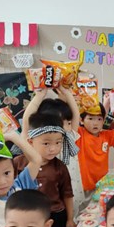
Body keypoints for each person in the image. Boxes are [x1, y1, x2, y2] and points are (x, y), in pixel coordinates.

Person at [13, 112, 75, 227]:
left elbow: (67, 194)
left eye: (58, 142)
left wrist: (70, 218)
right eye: (46, 143)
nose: (53, 148)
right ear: (31, 142)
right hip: (27, 217)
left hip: (56, 216)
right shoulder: (18, 163)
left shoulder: (60, 166)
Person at [23, 87, 85, 219]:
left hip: (71, 193)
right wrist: (39, 96)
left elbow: (76, 115)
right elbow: (27, 122)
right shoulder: (37, 143)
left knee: (72, 220)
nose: (68, 127)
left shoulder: (67, 139)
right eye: (63, 123)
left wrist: (67, 92)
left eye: (69, 123)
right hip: (50, 200)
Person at [76, 102, 114, 199]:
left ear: (103, 121)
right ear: (81, 120)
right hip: (84, 188)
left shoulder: (106, 135)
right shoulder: (79, 134)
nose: (95, 123)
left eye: (99, 119)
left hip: (102, 186)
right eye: (90, 118)